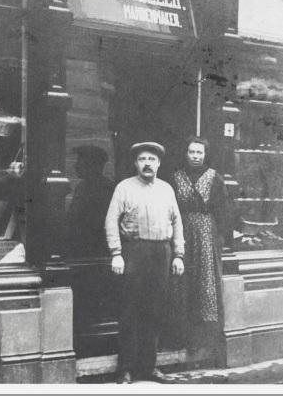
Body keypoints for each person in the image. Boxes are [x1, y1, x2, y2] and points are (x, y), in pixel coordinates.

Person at [105, 141, 185, 384]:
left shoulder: (166, 189)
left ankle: (148, 367)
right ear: (135, 163)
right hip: (134, 251)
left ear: (159, 163)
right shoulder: (124, 188)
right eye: (142, 159)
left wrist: (178, 254)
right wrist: (116, 253)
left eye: (152, 159)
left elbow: (177, 222)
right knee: (130, 309)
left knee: (155, 310)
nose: (147, 164)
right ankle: (126, 369)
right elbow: (111, 221)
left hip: (162, 252)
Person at [170, 136, 229, 365]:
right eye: (191, 152)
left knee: (205, 283)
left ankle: (206, 339)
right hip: (182, 231)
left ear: (205, 155)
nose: (195, 156)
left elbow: (223, 211)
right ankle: (180, 335)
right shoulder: (176, 177)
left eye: (199, 152)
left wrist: (217, 240)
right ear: (185, 153)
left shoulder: (215, 178)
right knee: (182, 282)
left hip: (206, 235)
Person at [66, 145, 115, 258]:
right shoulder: (82, 186)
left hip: (94, 249)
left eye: (80, 162)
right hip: (83, 246)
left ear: (93, 166)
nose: (76, 166)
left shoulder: (106, 188)